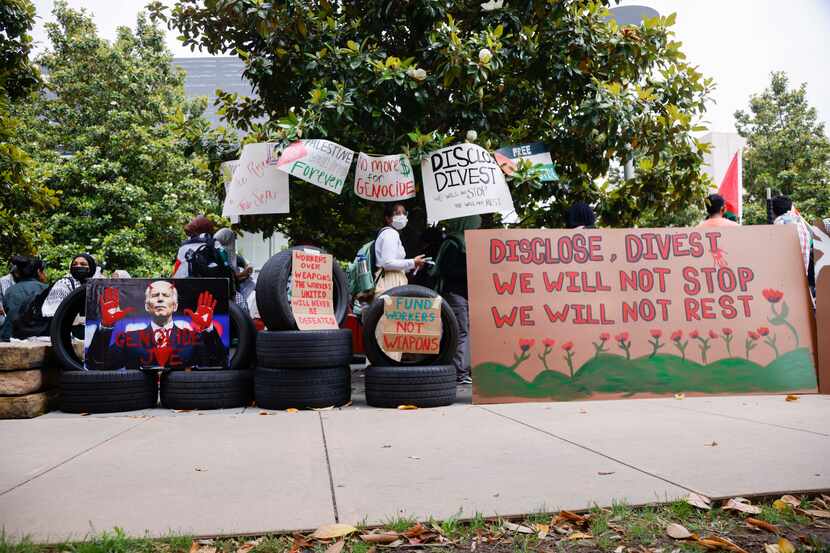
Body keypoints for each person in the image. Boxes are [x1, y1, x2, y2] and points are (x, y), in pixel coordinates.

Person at [86, 280, 227, 370]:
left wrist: (208, 329)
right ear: (147, 306)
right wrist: (106, 327)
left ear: (175, 305)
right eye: (155, 296)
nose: (160, 299)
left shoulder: (193, 337)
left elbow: (218, 363)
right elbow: (97, 364)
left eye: (166, 295)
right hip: (138, 398)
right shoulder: (129, 338)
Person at [431, 215, 481, 384]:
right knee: (460, 332)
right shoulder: (453, 244)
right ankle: (459, 372)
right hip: (455, 294)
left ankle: (460, 370)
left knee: (461, 331)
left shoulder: (463, 243)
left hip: (460, 294)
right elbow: (448, 270)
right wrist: (471, 269)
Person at [374, 203, 426, 294]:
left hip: (391, 282)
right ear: (388, 218)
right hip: (390, 283)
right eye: (397, 213)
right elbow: (387, 263)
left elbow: (393, 264)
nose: (402, 216)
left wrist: (412, 266)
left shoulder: (391, 234)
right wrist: (413, 262)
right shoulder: (390, 234)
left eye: (404, 213)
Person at [0, 257, 48, 341]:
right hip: (38, 336)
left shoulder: (10, 290)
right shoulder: (45, 289)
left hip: (9, 336)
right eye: (43, 271)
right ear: (38, 272)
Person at [41, 253, 98, 318]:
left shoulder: (94, 286)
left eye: (83, 264)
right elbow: (53, 313)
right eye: (75, 264)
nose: (78, 266)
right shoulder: (63, 284)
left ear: (91, 268)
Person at [772, 195, 813, 280]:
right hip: (802, 277)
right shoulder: (800, 222)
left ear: (774, 210)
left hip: (787, 277)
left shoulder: (781, 222)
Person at [214, 227, 255, 310]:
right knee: (242, 307)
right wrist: (242, 274)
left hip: (233, 287)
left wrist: (248, 268)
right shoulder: (218, 253)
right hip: (226, 290)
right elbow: (225, 275)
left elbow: (246, 264)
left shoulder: (232, 254)